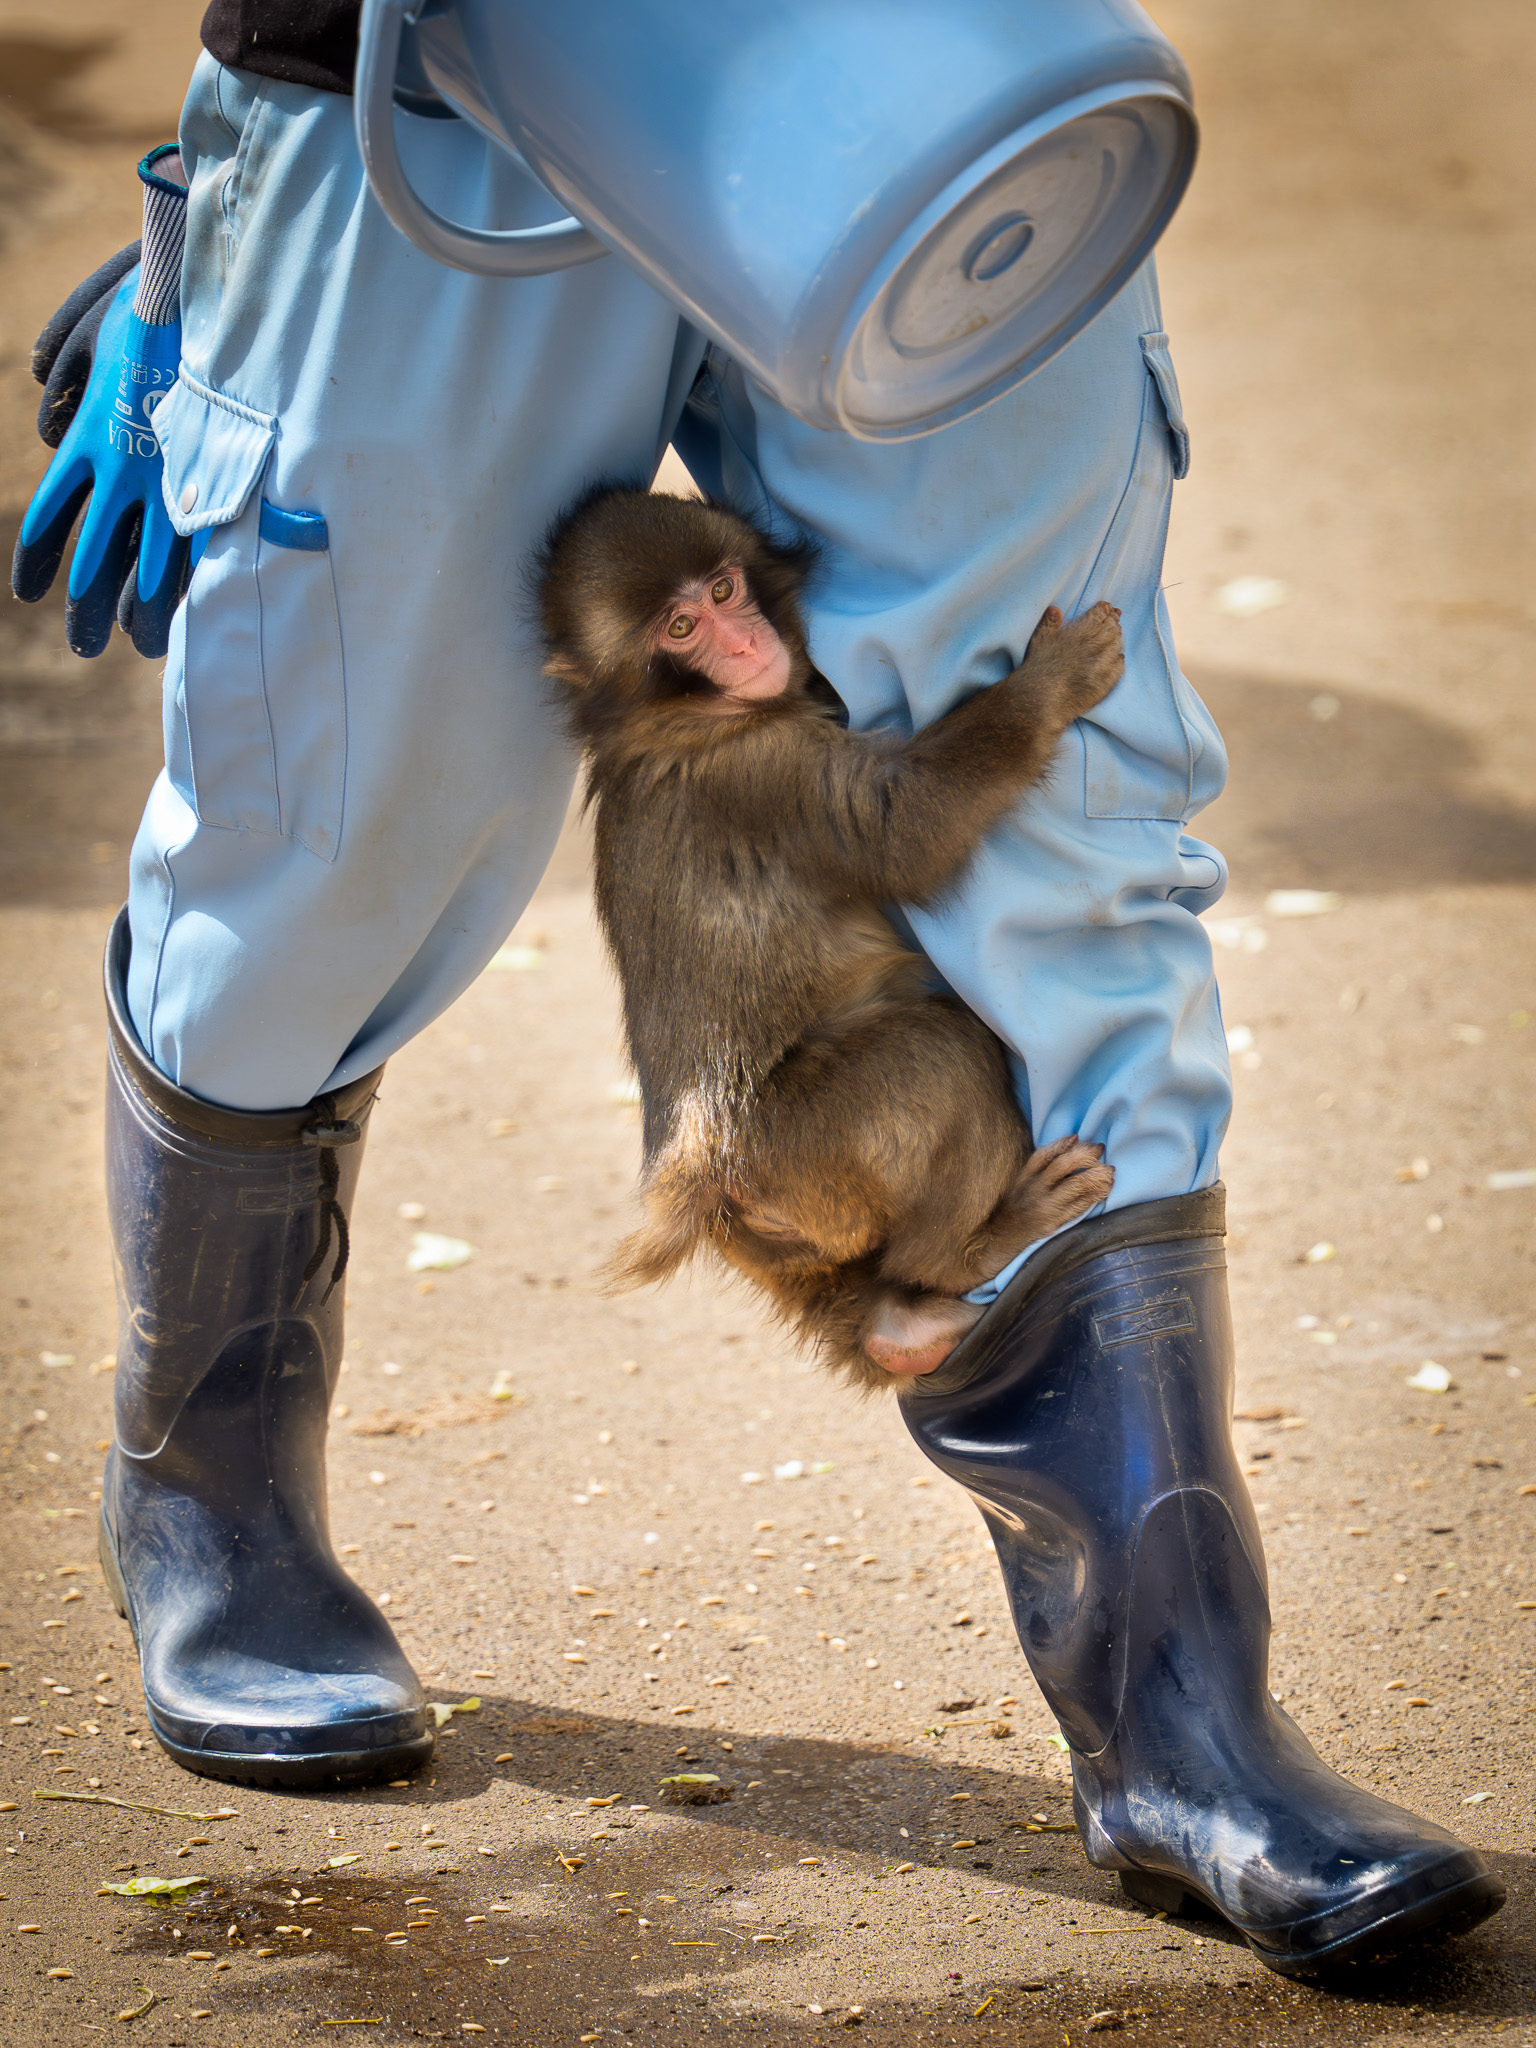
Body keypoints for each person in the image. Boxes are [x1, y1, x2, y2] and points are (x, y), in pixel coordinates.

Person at [12, 3, 1502, 1975]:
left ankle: (1181, 1702)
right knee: (333, 842)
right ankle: (208, 1489)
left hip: (922, 66)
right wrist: (231, 197)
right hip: (428, 83)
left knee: (1059, 816)